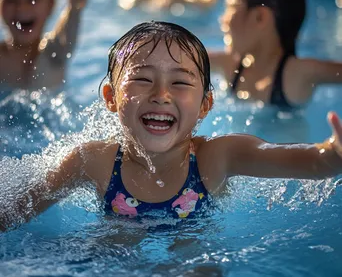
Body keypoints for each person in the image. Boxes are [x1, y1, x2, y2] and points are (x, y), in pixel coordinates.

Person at [1, 20, 342, 231]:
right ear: (110, 97)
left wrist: (331, 155)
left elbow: (296, 159)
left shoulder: (217, 158)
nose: (161, 94)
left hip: (194, 241)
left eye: (180, 83)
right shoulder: (93, 161)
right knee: (107, 251)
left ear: (205, 105)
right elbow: (16, 211)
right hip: (119, 236)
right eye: (143, 79)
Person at [208, 0, 342, 109]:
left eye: (231, 7)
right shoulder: (230, 65)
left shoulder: (297, 74)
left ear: (260, 17)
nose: (223, 19)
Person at [0, 0, 98, 93]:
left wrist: (75, 8)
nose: (22, 8)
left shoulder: (53, 54)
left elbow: (65, 39)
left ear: (51, 5)